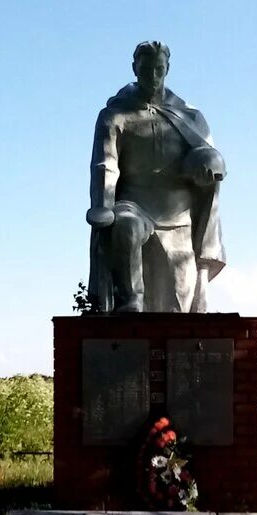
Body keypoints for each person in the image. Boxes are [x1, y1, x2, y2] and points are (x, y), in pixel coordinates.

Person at [87, 41, 226, 313]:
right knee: (124, 227)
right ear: (134, 69)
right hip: (134, 207)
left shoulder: (190, 117)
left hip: (178, 219)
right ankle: (131, 301)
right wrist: (103, 205)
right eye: (146, 69)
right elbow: (106, 165)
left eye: (158, 69)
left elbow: (212, 157)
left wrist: (209, 163)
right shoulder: (115, 116)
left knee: (177, 307)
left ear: (167, 69)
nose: (152, 76)